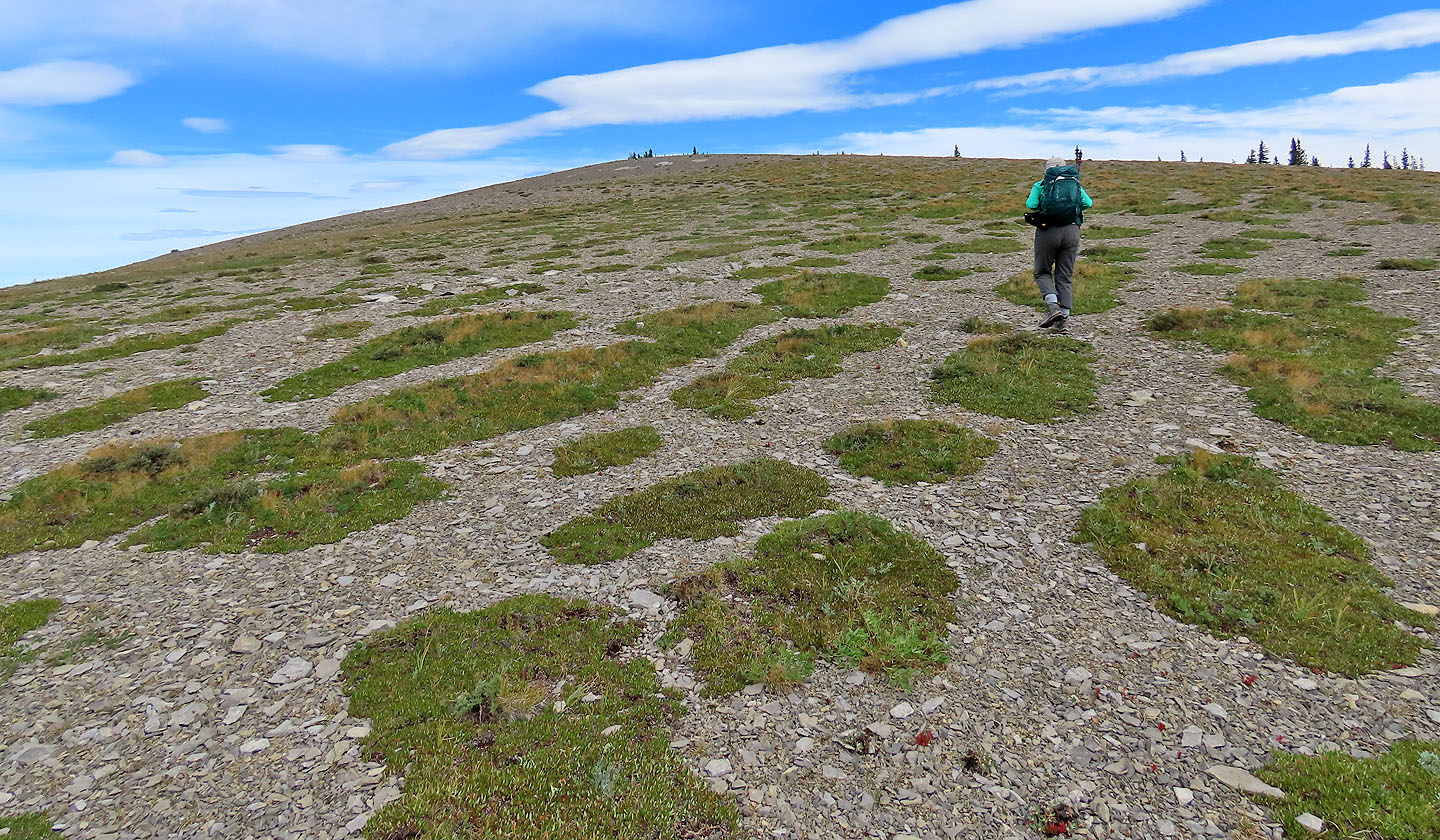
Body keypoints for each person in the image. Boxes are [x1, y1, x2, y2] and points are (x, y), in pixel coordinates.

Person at [1025, 156, 1093, 331]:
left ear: (1046, 170)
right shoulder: (1075, 183)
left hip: (1048, 231)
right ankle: (1063, 321)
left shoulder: (1041, 184)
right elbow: (1088, 203)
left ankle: (1053, 306)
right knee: (1065, 275)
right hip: (1072, 231)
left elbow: (1031, 204)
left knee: (1042, 271)